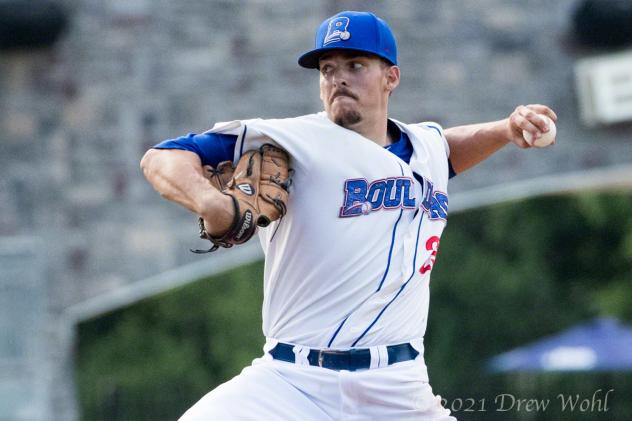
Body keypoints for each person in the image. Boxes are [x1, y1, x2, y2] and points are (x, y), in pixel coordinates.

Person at [140, 10, 557, 421]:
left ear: (390, 77)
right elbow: (161, 158)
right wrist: (211, 203)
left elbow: (446, 149)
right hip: (292, 383)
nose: (338, 78)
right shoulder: (296, 139)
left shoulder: (426, 147)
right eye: (327, 68)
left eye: (355, 65)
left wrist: (505, 129)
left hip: (400, 389)